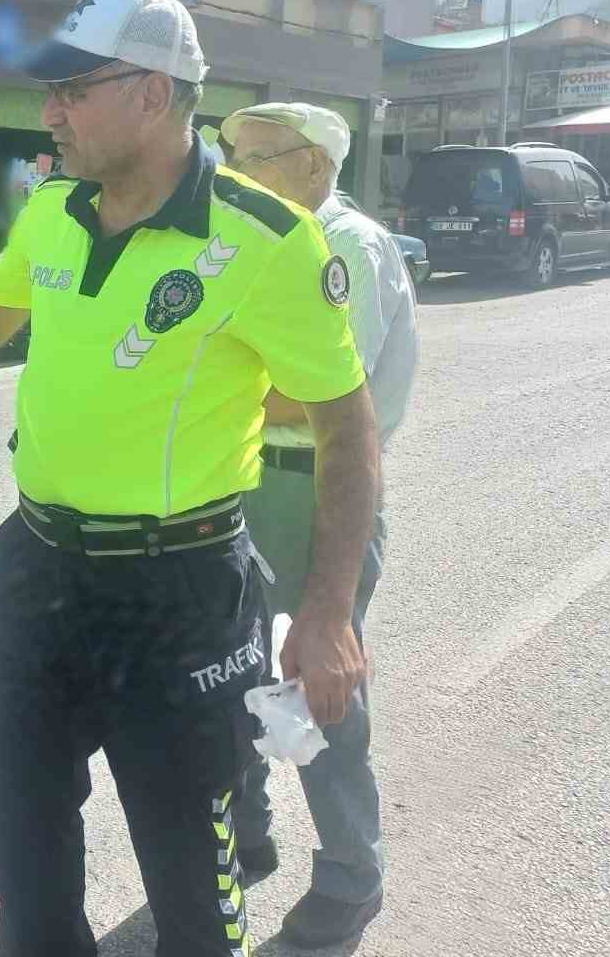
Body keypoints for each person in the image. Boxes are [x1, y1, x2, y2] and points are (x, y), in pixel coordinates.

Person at [0, 0, 380, 957]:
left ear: (151, 92)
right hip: (36, 579)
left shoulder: (268, 240)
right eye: (47, 92)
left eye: (70, 90)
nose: (47, 113)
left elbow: (346, 428)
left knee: (197, 900)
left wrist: (326, 608)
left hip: (181, 599)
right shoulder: (55, 211)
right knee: (29, 888)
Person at [220, 103, 419, 949]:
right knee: (218, 663)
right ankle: (249, 834)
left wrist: (216, 394)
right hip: (245, 478)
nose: (236, 172)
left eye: (257, 157)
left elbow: (330, 398)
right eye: (231, 155)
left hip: (320, 486)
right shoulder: (264, 239)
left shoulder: (347, 247)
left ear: (313, 167)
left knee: (322, 679)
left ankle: (351, 875)